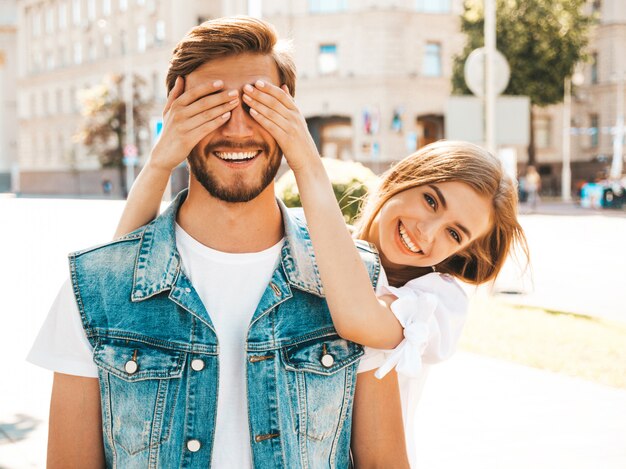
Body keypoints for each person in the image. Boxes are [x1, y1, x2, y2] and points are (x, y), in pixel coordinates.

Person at [27, 17, 410, 468]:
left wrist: (307, 161)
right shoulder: (92, 289)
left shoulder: (359, 282)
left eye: (259, 103)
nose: (238, 129)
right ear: (175, 117)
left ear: (290, 115)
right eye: (211, 104)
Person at [113, 96, 527, 466]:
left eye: (454, 234)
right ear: (403, 178)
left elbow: (358, 320)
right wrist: (160, 163)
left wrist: (306, 161)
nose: (427, 232)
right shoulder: (329, 247)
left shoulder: (436, 302)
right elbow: (117, 277)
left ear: (464, 252)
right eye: (431, 200)